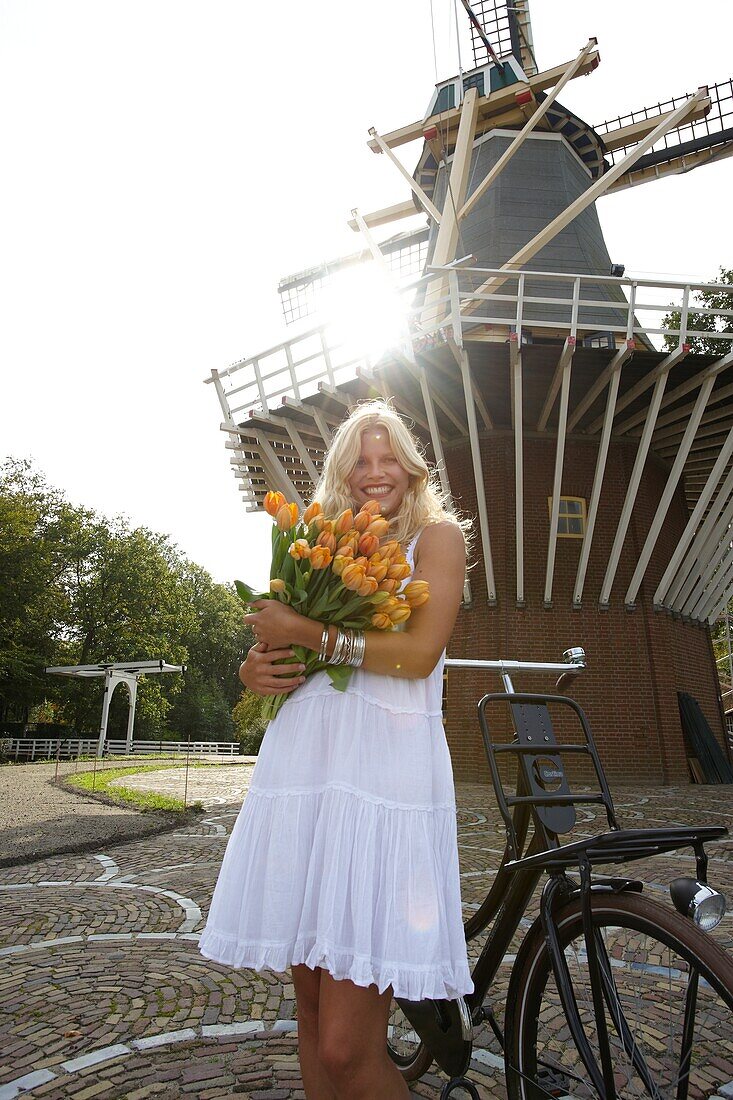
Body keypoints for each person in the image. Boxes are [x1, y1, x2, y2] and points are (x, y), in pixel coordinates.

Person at [199, 400, 473, 1099]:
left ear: (410, 469)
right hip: (306, 773)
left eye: (388, 459)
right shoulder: (316, 543)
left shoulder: (435, 539)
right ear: (340, 472)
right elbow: (274, 649)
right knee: (314, 1022)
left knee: (348, 1048)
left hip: (380, 781)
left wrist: (312, 633)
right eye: (359, 460)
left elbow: (417, 654)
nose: (374, 473)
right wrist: (251, 669)